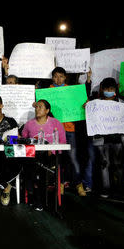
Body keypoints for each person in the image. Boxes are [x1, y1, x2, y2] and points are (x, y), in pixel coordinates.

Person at [21, 99, 66, 211]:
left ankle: (37, 197)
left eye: (40, 107)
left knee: (40, 167)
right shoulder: (29, 124)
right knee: (30, 164)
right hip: (32, 157)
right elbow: (23, 139)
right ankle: (34, 195)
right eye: (36, 107)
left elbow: (63, 142)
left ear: (47, 110)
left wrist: (52, 150)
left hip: (50, 157)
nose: (37, 109)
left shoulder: (55, 123)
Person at [87, 78, 124, 198]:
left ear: (115, 89)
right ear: (102, 89)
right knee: (104, 164)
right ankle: (106, 189)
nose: (109, 91)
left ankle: (120, 189)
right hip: (101, 139)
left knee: (118, 164)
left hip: (117, 139)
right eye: (106, 89)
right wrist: (87, 107)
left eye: (111, 89)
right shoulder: (95, 103)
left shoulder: (121, 103)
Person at [49, 67, 86, 196]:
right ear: (52, 78)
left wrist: (84, 104)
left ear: (65, 78)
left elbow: (81, 104)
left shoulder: (72, 91)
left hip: (69, 129)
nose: (58, 79)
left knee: (72, 157)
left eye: (61, 76)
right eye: (55, 76)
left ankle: (78, 184)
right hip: (53, 130)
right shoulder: (47, 92)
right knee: (57, 159)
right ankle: (60, 183)